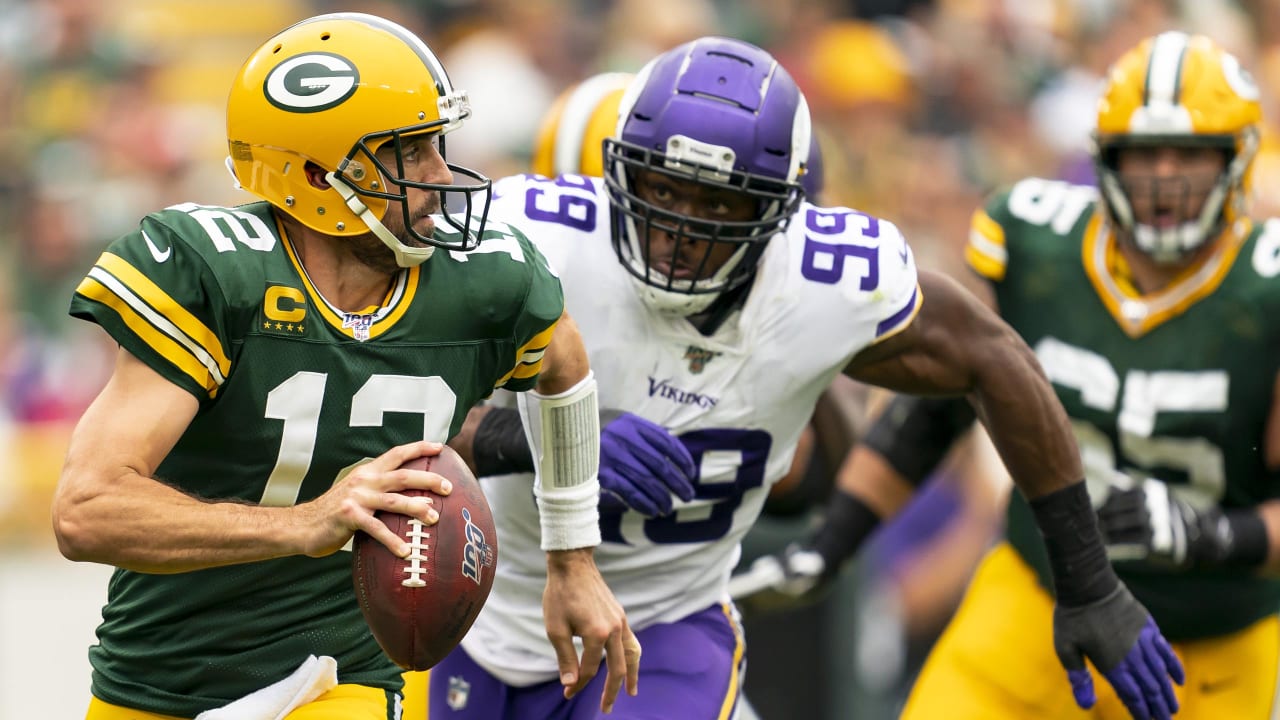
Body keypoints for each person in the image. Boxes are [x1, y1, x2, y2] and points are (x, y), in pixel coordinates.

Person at [428, 36, 1182, 720]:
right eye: (662, 192)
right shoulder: (542, 239)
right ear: (618, 170)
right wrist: (538, 440)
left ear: (780, 212)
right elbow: (405, 405)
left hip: (666, 622)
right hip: (480, 615)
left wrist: (1089, 579)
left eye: (718, 202)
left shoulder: (824, 282)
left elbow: (997, 361)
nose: (682, 231)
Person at [50, 13, 640, 720]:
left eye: (437, 145)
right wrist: (306, 523)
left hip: (339, 674)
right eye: (409, 153)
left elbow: (564, 368)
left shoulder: (484, 282)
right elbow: (86, 511)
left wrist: (571, 557)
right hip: (157, 679)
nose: (440, 175)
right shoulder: (217, 275)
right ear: (316, 174)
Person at [746, 30, 1280, 719]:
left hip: (1207, 638)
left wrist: (1204, 534)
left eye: (1191, 155)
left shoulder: (1264, 292)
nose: (1164, 178)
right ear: (1104, 160)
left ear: (1236, 162)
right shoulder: (1036, 244)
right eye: (1144, 153)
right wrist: (832, 544)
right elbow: (941, 405)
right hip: (1037, 595)